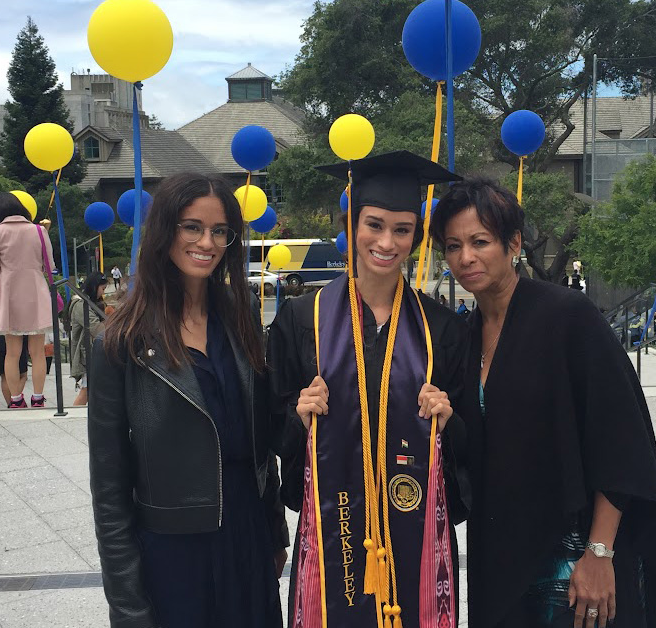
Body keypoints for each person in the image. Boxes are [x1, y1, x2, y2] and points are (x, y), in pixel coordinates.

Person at [431, 178, 656, 628]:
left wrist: (599, 553)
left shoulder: (567, 317)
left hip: (572, 553)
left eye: (479, 241)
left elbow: (620, 440)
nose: (465, 258)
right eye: (452, 245)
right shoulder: (464, 336)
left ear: (514, 243)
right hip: (501, 554)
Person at [271, 151, 470, 628]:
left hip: (415, 530)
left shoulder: (439, 328)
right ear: (351, 225)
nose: (386, 242)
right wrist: (297, 417)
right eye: (374, 224)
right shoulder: (303, 320)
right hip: (334, 526)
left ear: (416, 237)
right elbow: (268, 434)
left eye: (402, 229)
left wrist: (449, 420)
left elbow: (475, 442)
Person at [89, 172, 287, 628]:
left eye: (220, 231)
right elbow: (110, 490)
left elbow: (261, 450)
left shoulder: (242, 324)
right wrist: (126, 604)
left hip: (246, 537)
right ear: (165, 231)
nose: (207, 242)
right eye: (191, 226)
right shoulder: (122, 344)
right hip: (172, 552)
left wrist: (275, 535)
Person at [0, 193, 54, 409]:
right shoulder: (38, 230)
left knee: (12, 352)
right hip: (36, 292)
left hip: (9, 294)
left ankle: (16, 399)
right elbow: (50, 265)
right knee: (37, 352)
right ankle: (38, 398)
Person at [68, 272, 107, 405]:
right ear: (94, 287)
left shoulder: (89, 303)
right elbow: (96, 329)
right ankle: (73, 417)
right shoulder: (81, 305)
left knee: (91, 391)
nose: (102, 293)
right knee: (86, 391)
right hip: (86, 355)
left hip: (91, 353)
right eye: (102, 289)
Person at [0, 330, 27, 406]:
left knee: (4, 377)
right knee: (23, 375)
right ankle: (16, 400)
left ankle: (11, 403)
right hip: (16, 343)